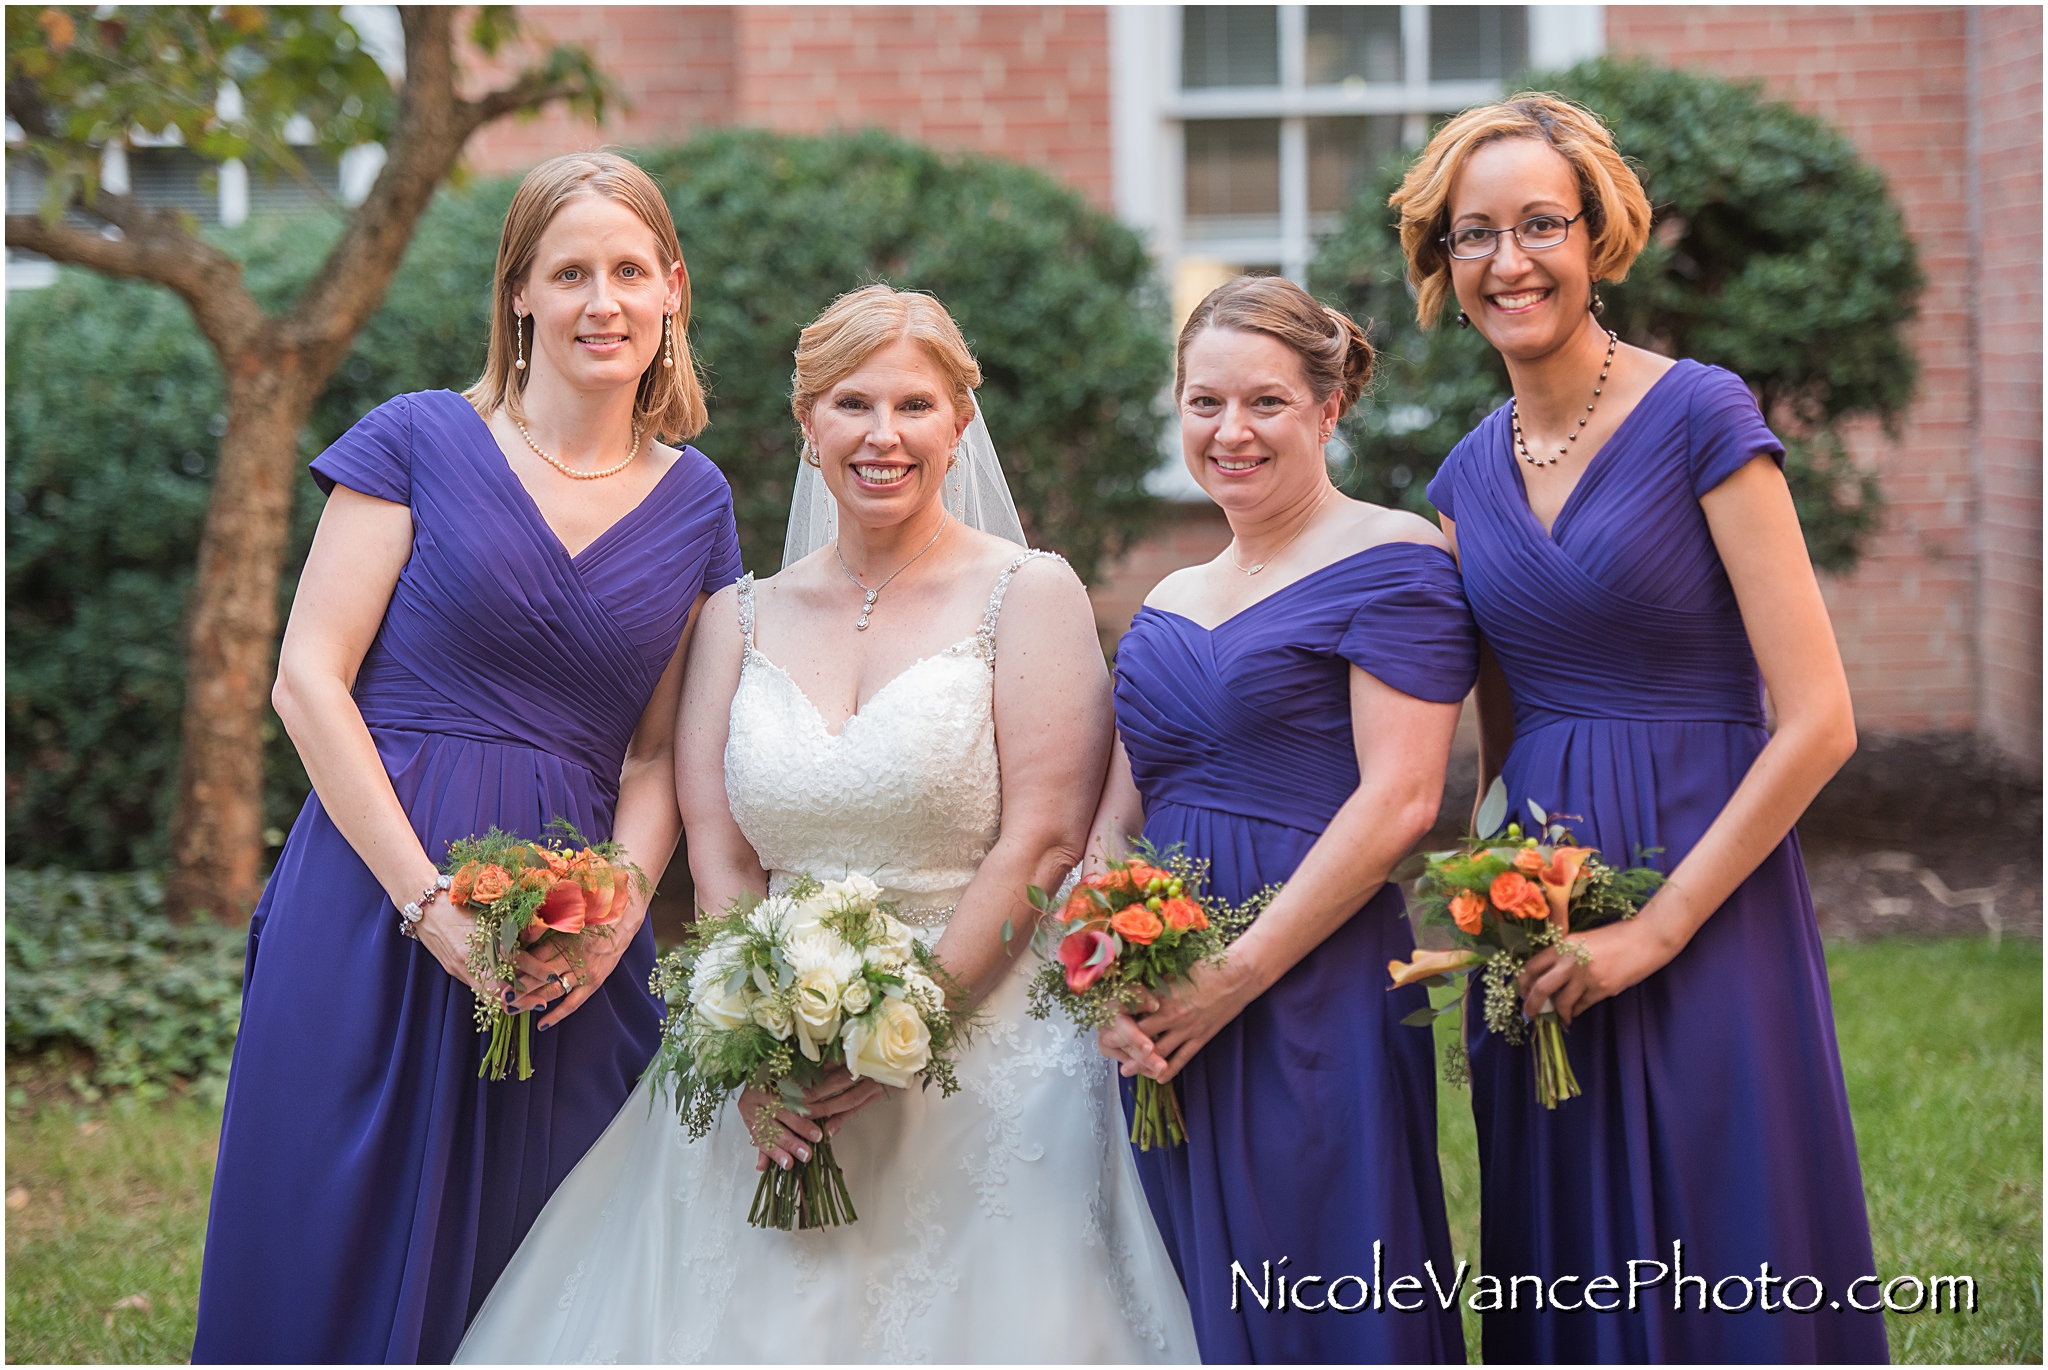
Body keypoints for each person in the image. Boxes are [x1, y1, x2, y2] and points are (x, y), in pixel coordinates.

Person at [453, 285, 1198, 1363]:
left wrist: (910, 1025)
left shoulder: (1027, 593)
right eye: (851, 403)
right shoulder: (734, 616)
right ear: (808, 425)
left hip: (981, 1042)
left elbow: (1040, 838)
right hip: (769, 1045)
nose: (881, 435)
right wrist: (756, 1040)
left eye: (913, 405)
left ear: (958, 424)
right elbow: (720, 857)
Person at [192, 152, 743, 1363]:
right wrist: (426, 903)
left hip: (571, 930)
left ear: (671, 293)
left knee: (545, 1237)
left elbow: (654, 758)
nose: (603, 300)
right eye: (571, 272)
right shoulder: (416, 440)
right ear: (521, 298)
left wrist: (607, 923)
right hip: (372, 890)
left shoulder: (698, 502)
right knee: (329, 1217)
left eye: (628, 271)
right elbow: (308, 680)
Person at [1394, 94, 1888, 1362]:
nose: (1509, 261)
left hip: (1704, 880)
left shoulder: (1703, 419)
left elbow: (1820, 716)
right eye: (1473, 234)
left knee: (1729, 1225)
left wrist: (1659, 924)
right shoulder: (1458, 481)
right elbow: (1496, 752)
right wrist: (1491, 903)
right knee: (1561, 1241)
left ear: (1597, 234)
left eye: (1539, 224)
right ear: (1441, 264)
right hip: (1542, 912)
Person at [1093, 275, 1477, 1363]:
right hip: (1159, 992)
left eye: (1263, 401)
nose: (1230, 431)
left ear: (1328, 405)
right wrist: (1105, 977)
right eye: (1202, 402)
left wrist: (1238, 972)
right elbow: (1111, 821)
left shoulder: (1394, 560)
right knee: (1181, 1285)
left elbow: (1401, 798)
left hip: (1312, 978)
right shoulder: (1167, 597)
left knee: (1322, 1270)